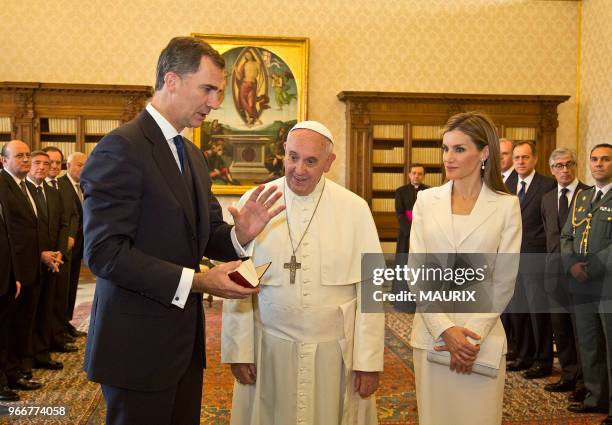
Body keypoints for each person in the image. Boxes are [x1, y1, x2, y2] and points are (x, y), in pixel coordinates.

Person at [81, 36, 284, 425]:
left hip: (183, 348)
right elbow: (105, 253)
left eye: (220, 92)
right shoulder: (120, 148)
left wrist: (241, 234)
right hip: (135, 347)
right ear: (171, 81)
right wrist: (200, 282)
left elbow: (207, 233)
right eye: (207, 89)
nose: (213, 102)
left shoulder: (190, 152)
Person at [221, 120, 385, 425]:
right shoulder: (255, 201)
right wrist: (238, 351)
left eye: (311, 161)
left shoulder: (355, 208)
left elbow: (372, 288)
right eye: (293, 157)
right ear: (283, 151)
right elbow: (238, 279)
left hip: (335, 353)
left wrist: (369, 360)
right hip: (269, 347)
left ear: (329, 162)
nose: (299, 169)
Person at [409, 112, 521, 425]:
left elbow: (504, 280)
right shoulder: (426, 200)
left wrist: (469, 338)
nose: (448, 157)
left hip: (480, 339)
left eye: (459, 149)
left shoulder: (506, 205)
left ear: (484, 153)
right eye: (445, 148)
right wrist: (445, 328)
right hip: (432, 334)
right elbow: (416, 271)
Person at [561, 143, 612, 425]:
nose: (599, 164)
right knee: (589, 342)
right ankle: (596, 397)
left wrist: (590, 267)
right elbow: (566, 235)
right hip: (581, 283)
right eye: (594, 159)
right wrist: (571, 264)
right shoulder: (582, 197)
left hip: (606, 282)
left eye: (605, 159)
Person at [540, 148, 589, 399]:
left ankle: (585, 383)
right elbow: (549, 236)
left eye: (569, 164)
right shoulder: (547, 198)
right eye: (559, 165)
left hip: (580, 274)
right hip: (553, 275)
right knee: (561, 330)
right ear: (552, 170)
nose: (564, 169)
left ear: (576, 166)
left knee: (582, 331)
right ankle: (568, 376)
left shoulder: (590, 195)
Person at [505, 141, 556, 378]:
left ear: (535, 159)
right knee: (518, 311)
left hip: (536, 258)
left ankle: (543, 360)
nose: (520, 162)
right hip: (512, 258)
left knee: (538, 312)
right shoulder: (507, 184)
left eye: (525, 157)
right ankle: (524, 355)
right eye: (517, 158)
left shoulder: (547, 185)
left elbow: (551, 223)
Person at [27, 150, 68, 371]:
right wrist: (41, 254)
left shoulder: (53, 192)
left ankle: (42, 354)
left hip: (53, 260)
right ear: (29, 165)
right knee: (29, 313)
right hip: (33, 261)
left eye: (47, 163)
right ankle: (26, 357)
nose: (42, 167)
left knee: (46, 309)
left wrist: (60, 252)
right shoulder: (24, 192)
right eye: (38, 163)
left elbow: (63, 224)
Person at [42, 146, 78, 352]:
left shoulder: (63, 187)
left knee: (61, 296)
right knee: (46, 300)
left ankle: (58, 333)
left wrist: (69, 238)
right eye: (50, 162)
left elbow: (71, 216)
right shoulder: (38, 187)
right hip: (45, 253)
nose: (54, 166)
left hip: (64, 249)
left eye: (58, 162)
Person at [59, 151, 87, 341]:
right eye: (79, 164)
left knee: (72, 287)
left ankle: (67, 322)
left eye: (86, 164)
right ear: (68, 166)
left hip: (79, 246)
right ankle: (59, 325)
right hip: (66, 246)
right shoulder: (60, 186)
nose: (83, 168)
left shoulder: (84, 186)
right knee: (62, 289)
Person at [0, 179, 21, 401]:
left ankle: (5, 377)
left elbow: (9, 236)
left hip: (5, 277)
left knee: (5, 333)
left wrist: (14, 275)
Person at [394, 164, 429, 255]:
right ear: (409, 175)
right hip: (406, 229)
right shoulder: (400, 191)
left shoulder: (429, 191)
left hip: (424, 230)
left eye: (420, 174)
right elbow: (399, 213)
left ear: (424, 176)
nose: (416, 176)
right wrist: (410, 231)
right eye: (414, 173)